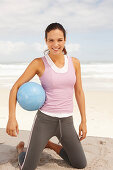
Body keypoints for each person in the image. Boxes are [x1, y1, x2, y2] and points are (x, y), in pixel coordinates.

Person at [6, 22, 87, 170]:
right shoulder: (39, 63)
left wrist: (84, 121)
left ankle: (50, 145)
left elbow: (79, 91)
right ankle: (21, 150)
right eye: (51, 40)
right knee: (27, 168)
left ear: (65, 40)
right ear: (46, 41)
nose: (55, 44)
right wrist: (12, 117)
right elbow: (15, 88)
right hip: (45, 121)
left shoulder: (74, 63)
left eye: (59, 40)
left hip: (67, 121)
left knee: (80, 164)